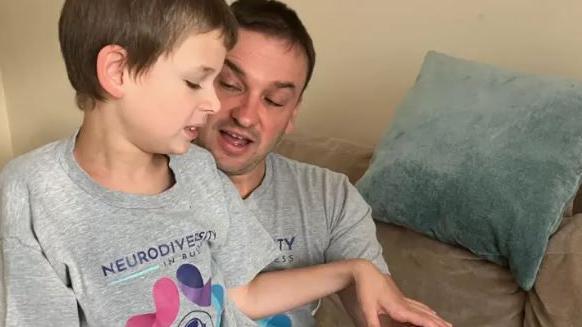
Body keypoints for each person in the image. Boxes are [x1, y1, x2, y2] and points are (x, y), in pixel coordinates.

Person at [0, 1, 449, 326]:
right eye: (200, 81)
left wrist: (355, 270)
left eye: (274, 99)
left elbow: (244, 293)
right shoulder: (29, 194)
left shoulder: (197, 173)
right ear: (117, 71)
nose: (215, 102)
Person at [196, 0, 452, 326]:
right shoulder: (145, 186)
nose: (246, 115)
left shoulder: (330, 198)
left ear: (293, 113)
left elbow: (378, 309)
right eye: (230, 84)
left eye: (274, 100)